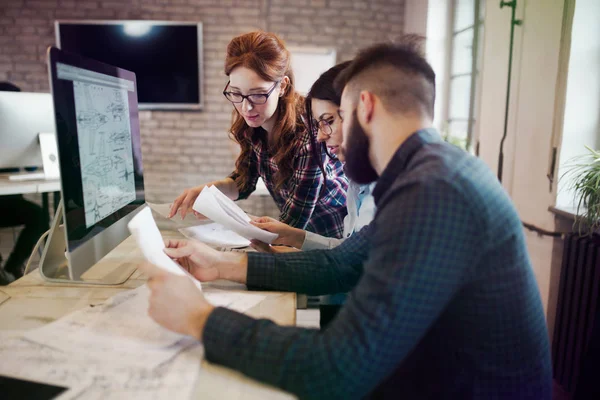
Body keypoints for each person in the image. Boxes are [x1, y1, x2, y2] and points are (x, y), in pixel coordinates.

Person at [139, 36, 552, 399]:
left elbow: (337, 370)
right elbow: (343, 262)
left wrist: (200, 318)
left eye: (335, 120)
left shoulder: (433, 190)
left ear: (366, 107)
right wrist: (222, 264)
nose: (327, 138)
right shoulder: (431, 171)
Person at [169, 31, 348, 239]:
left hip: (332, 239)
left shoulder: (308, 136)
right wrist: (209, 192)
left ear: (282, 86)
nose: (246, 107)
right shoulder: (254, 125)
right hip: (298, 239)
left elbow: (293, 221)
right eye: (236, 93)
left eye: (257, 94)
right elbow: (245, 182)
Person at [250, 61, 376, 328]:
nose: (319, 137)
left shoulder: (396, 194)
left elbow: (350, 268)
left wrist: (231, 267)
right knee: (280, 319)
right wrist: (292, 237)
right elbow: (348, 254)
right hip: (345, 310)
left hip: (359, 325)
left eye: (328, 121)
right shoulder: (357, 183)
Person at [0, 82, 48, 285]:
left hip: (10, 202)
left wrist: (36, 151)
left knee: (40, 217)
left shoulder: (16, 131)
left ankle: (13, 266)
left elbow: (29, 167)